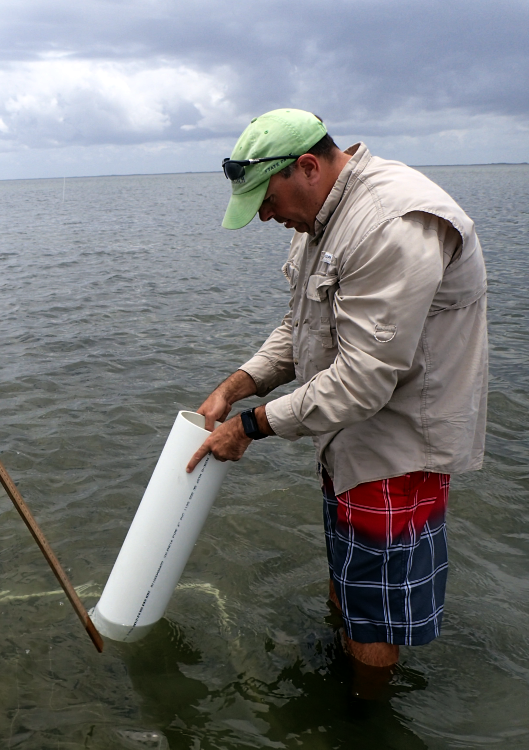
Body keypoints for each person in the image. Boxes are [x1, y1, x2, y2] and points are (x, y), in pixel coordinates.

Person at [187, 109, 487, 697]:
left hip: (397, 447)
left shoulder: (390, 224)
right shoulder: (324, 219)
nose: (266, 217)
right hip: (345, 437)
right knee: (351, 582)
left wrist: (248, 426)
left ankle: (364, 717)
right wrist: (237, 384)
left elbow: (362, 381)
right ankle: (343, 665)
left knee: (374, 609)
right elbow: (301, 324)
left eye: (267, 202)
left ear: (307, 166)